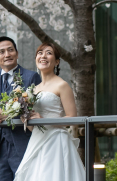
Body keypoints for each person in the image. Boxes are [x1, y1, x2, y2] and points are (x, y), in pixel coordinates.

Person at [13, 42, 85, 181]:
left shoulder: (62, 85)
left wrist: (45, 121)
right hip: (37, 140)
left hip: (56, 141)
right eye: (40, 53)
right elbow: (33, 128)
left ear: (57, 62)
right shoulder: (31, 90)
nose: (43, 56)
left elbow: (73, 119)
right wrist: (26, 119)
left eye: (49, 53)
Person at [0, 36, 41, 181]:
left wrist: (11, 114)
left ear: (17, 53)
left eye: (10, 50)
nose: (7, 54)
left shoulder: (31, 77)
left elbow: (38, 108)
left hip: (23, 141)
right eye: (2, 52)